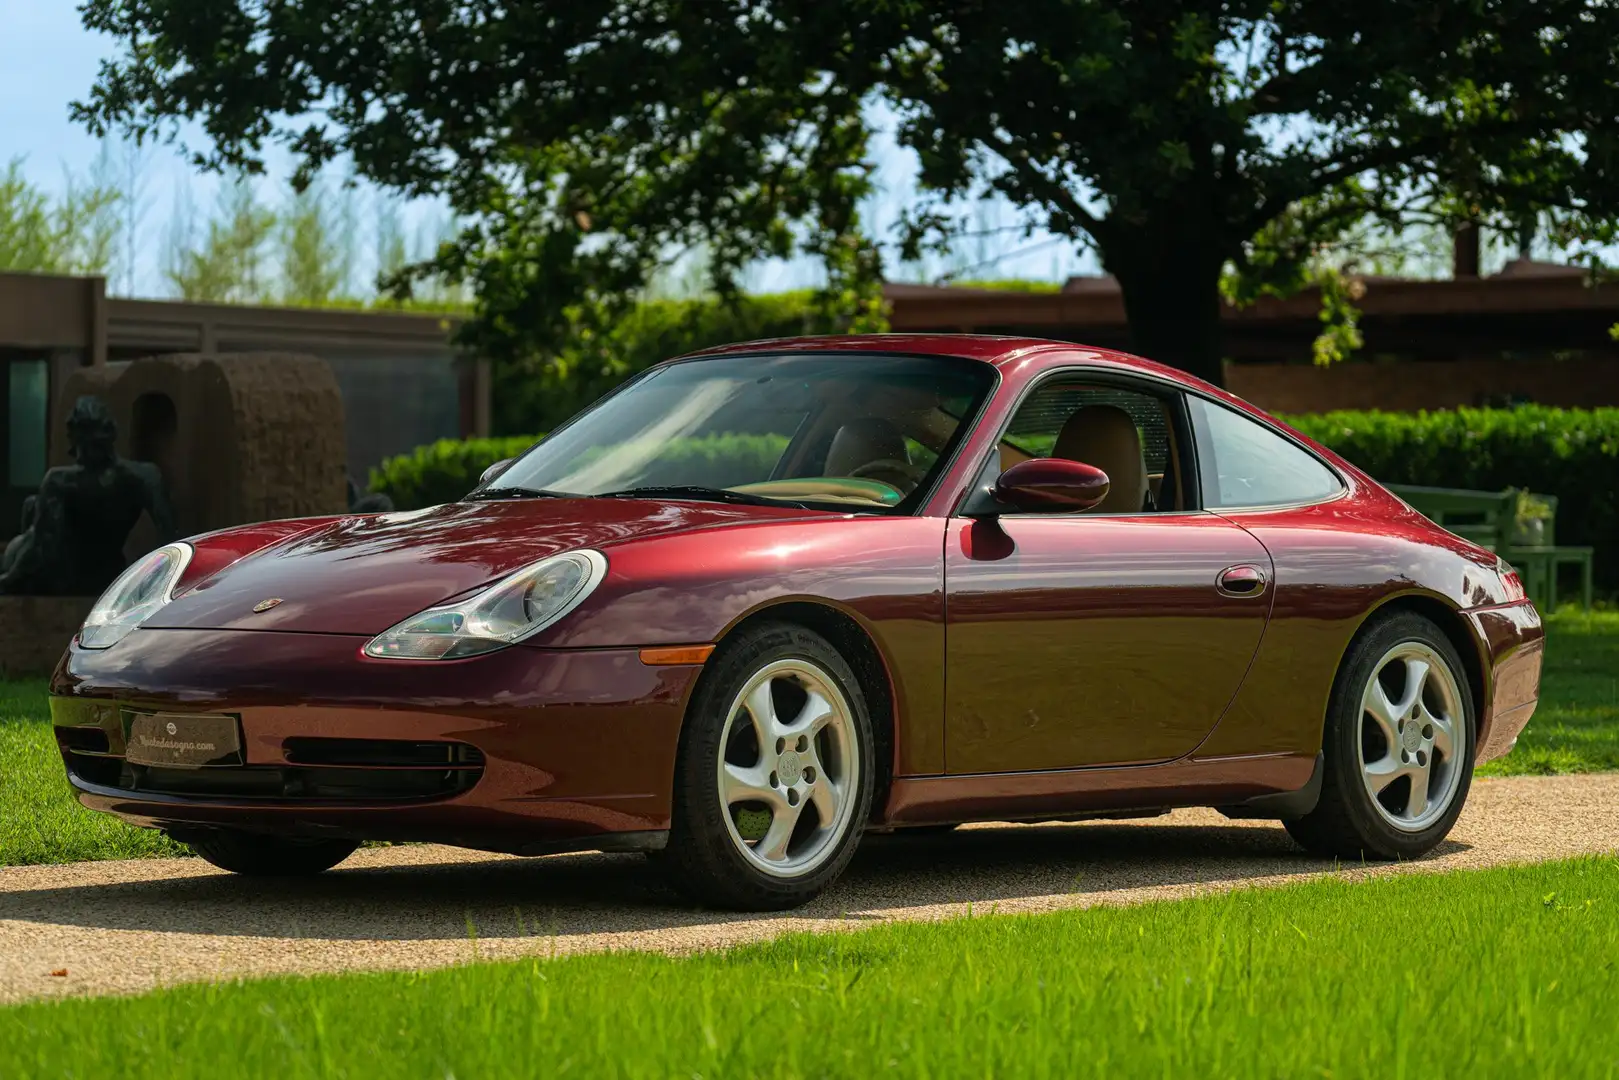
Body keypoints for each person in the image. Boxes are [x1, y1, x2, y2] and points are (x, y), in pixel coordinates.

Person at [0, 396, 175, 596]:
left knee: (25, 526)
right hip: (110, 575)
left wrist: (8, 581)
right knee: (30, 507)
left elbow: (44, 548)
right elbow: (170, 535)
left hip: (68, 578)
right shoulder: (145, 475)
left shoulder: (61, 480)